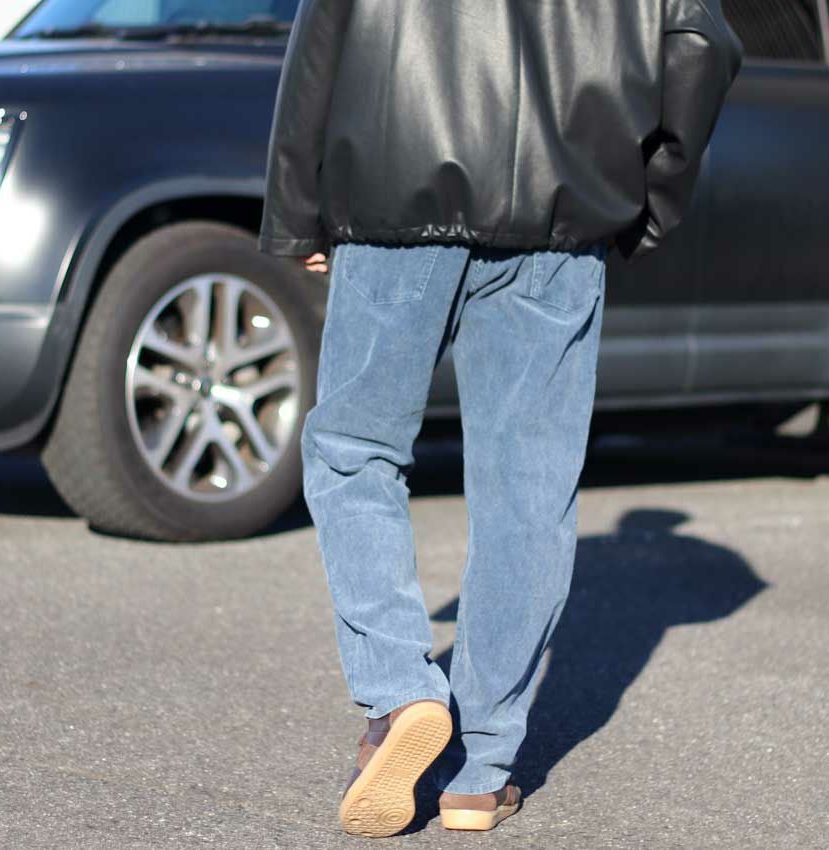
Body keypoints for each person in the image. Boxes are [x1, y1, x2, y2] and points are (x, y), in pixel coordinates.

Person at [258, 0, 742, 837]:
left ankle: (399, 692)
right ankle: (480, 773)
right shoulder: (714, 558)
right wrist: (645, 205)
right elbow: (700, 43)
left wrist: (295, 208)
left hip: (396, 197)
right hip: (562, 220)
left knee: (354, 450)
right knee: (529, 485)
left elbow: (323, 36)